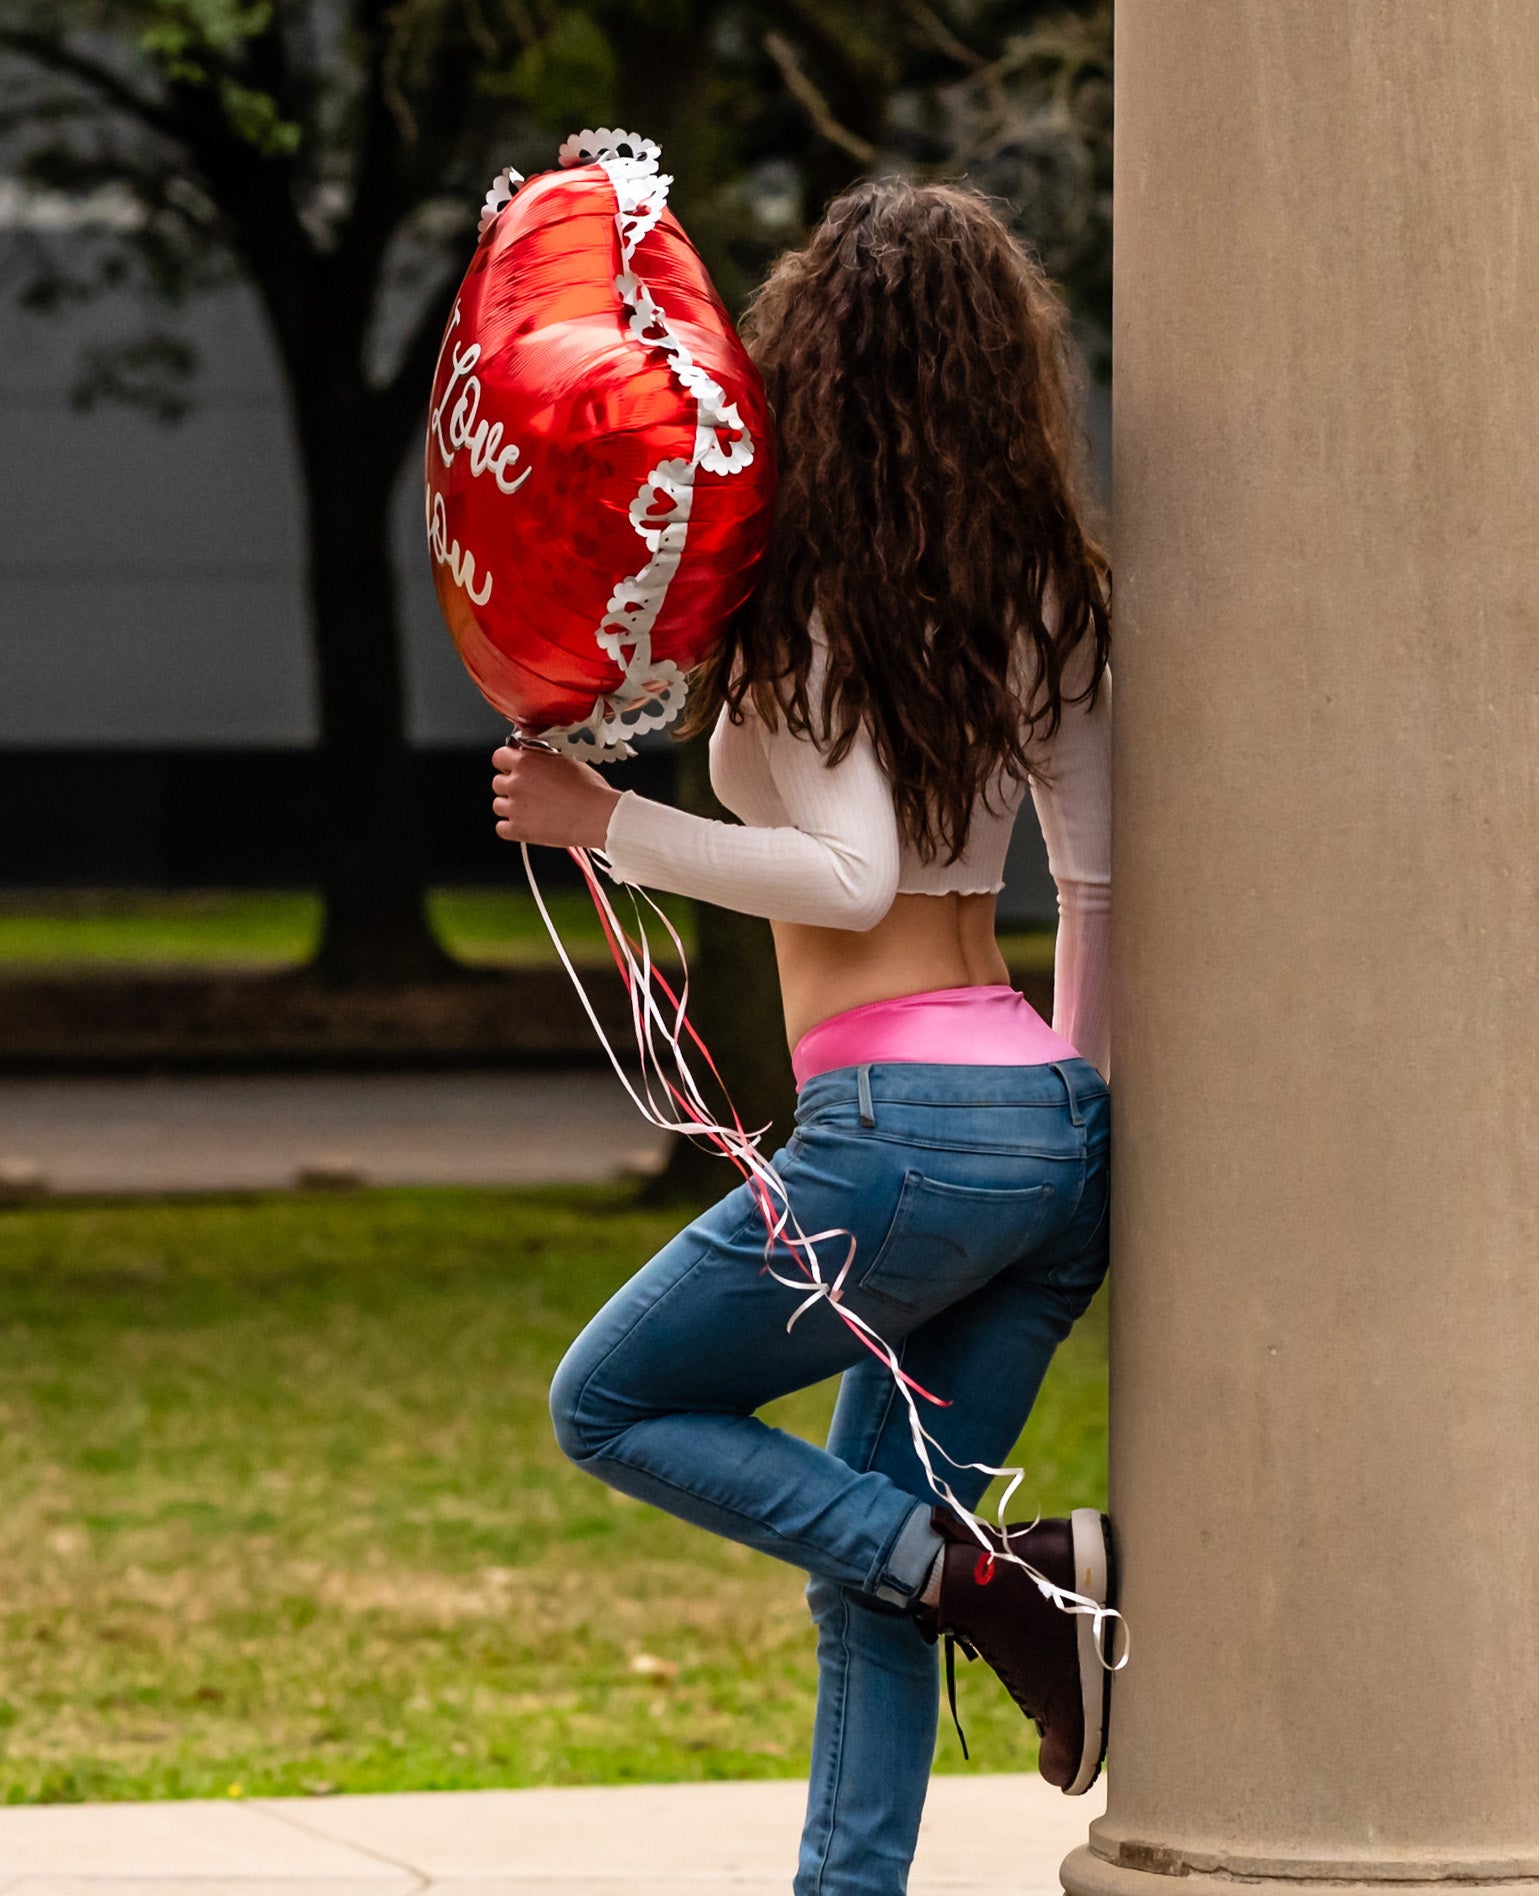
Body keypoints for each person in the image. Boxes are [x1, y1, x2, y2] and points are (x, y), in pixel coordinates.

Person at [490, 174, 1113, 1896]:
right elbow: (1106, 884)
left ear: (812, 363)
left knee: (607, 1402)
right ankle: (906, 1750)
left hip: (900, 1130)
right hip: (1047, 1129)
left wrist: (594, 820)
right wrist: (1082, 1129)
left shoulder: (827, 607)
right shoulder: (1041, 594)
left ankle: (997, 1584)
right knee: (870, 1581)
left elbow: (841, 882)